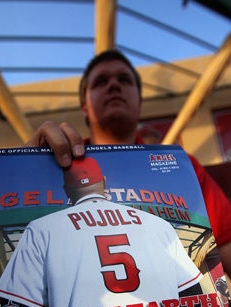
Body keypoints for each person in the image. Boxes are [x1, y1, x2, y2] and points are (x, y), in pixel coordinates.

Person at [25, 49, 231, 281]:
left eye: (124, 79)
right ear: (84, 106)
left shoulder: (182, 166)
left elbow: (225, 244)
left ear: (140, 101)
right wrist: (27, 169)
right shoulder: (52, 163)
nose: (113, 85)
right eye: (101, 82)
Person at [0, 156, 204, 307]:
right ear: (104, 183)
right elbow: (194, 300)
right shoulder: (158, 224)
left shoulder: (42, 228)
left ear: (67, 190)